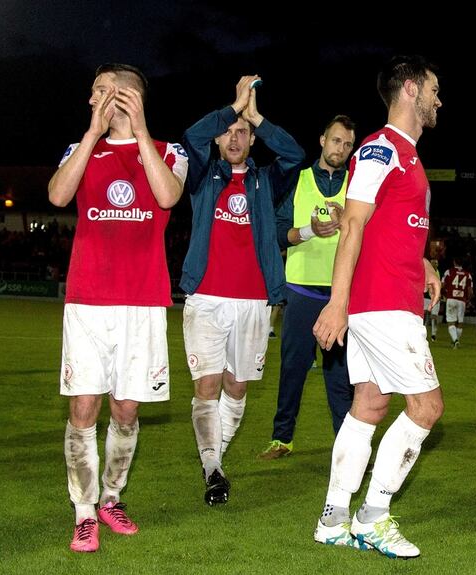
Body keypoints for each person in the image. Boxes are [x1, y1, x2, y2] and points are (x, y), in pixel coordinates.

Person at [49, 63, 188, 552]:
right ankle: (84, 511)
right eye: (93, 93)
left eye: (101, 93)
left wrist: (142, 131)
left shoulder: (170, 151)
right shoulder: (80, 149)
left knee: (126, 410)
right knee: (84, 405)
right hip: (88, 300)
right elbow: (58, 193)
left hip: (143, 302)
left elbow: (168, 196)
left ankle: (111, 498)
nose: (93, 100)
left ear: (128, 98)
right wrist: (91, 134)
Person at [311, 55, 443, 560]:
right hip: (381, 302)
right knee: (427, 407)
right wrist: (337, 304)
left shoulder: (407, 155)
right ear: (409, 89)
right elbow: (352, 224)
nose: (438, 99)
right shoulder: (379, 149)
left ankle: (334, 517)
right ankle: (373, 517)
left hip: (393, 294)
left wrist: (426, 266)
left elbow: (395, 227)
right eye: (433, 89)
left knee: (368, 405)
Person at [180, 75, 305, 505]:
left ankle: (213, 457)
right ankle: (214, 470)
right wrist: (233, 107)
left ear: (252, 141)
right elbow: (190, 136)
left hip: (253, 301)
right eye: (229, 132)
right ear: (218, 140)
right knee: (207, 386)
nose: (234, 137)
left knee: (237, 388)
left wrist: (258, 118)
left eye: (243, 133)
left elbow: (294, 153)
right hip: (206, 299)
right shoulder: (200, 177)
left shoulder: (265, 182)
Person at [259, 115, 357, 460]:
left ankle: (347, 446)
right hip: (301, 290)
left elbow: (370, 234)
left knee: (341, 375)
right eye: (335, 141)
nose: (340, 149)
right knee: (292, 368)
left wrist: (349, 221)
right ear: (321, 140)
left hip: (341, 293)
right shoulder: (298, 181)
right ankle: (281, 438)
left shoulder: (357, 185)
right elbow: (275, 231)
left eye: (347, 144)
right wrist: (308, 231)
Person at [441, 257, 472, 348]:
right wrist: (468, 299)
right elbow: (470, 291)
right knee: (460, 322)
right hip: (462, 300)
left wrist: (445, 294)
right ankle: (456, 341)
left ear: (454, 262)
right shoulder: (468, 274)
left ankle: (455, 340)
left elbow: (442, 285)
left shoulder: (449, 272)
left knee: (451, 322)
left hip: (451, 298)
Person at [423, 258, 441, 341]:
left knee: (434, 317)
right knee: (425, 315)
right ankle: (424, 333)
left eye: (436, 263)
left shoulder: (437, 272)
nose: (435, 264)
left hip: (435, 297)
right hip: (426, 297)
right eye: (433, 263)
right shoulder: (426, 270)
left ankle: (433, 334)